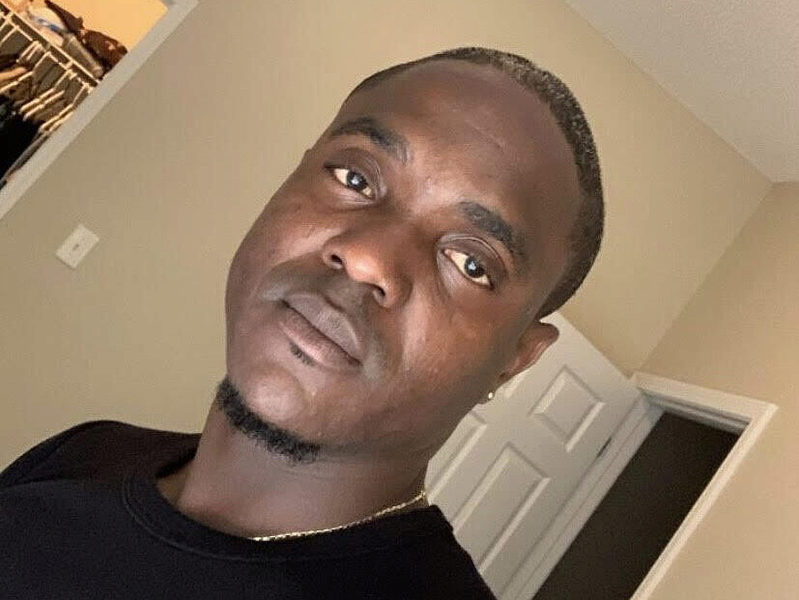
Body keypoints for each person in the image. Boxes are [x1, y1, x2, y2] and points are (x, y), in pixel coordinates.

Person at [0, 47, 603, 599]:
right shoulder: (88, 452)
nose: (366, 258)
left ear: (513, 360)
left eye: (471, 262)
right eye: (355, 178)